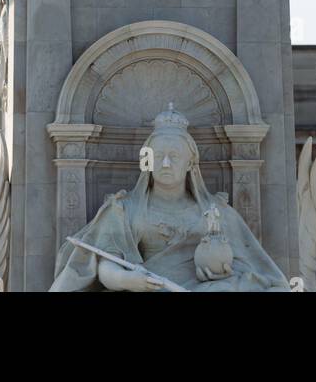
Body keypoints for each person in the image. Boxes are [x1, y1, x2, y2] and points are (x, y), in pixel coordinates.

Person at [49, 105, 290, 293]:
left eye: (174, 156)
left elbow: (250, 266)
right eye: (158, 156)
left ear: (190, 163)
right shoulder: (125, 208)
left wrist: (223, 271)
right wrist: (126, 279)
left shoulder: (215, 211)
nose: (165, 163)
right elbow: (102, 264)